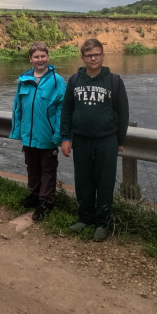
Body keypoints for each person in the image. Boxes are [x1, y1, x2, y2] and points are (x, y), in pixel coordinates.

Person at [60, 39, 130, 243]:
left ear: (103, 55)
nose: (93, 58)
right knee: (83, 181)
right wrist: (66, 137)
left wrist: (120, 140)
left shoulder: (114, 81)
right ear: (83, 57)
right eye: (89, 55)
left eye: (97, 54)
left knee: (105, 183)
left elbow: (122, 113)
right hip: (81, 139)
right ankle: (85, 217)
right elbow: (67, 110)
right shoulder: (74, 80)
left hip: (106, 140)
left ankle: (102, 223)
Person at [9, 41, 67, 220]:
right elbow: (17, 107)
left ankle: (46, 202)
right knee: (32, 167)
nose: (40, 59)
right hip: (28, 135)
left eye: (43, 56)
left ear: (48, 57)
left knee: (48, 169)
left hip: (47, 135)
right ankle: (33, 196)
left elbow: (62, 110)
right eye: (36, 56)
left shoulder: (58, 81)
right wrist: (17, 131)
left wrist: (58, 134)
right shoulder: (23, 80)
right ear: (30, 59)